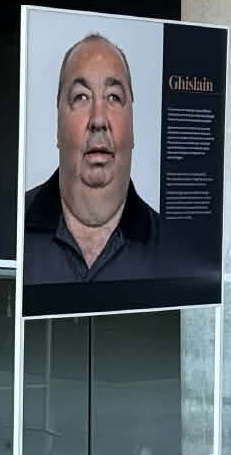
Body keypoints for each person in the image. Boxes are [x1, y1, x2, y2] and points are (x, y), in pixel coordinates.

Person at [23, 33, 159, 283]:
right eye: (81, 97)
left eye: (113, 97)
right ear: (58, 125)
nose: (98, 120)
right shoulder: (14, 227)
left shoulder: (170, 246)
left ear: (132, 128)